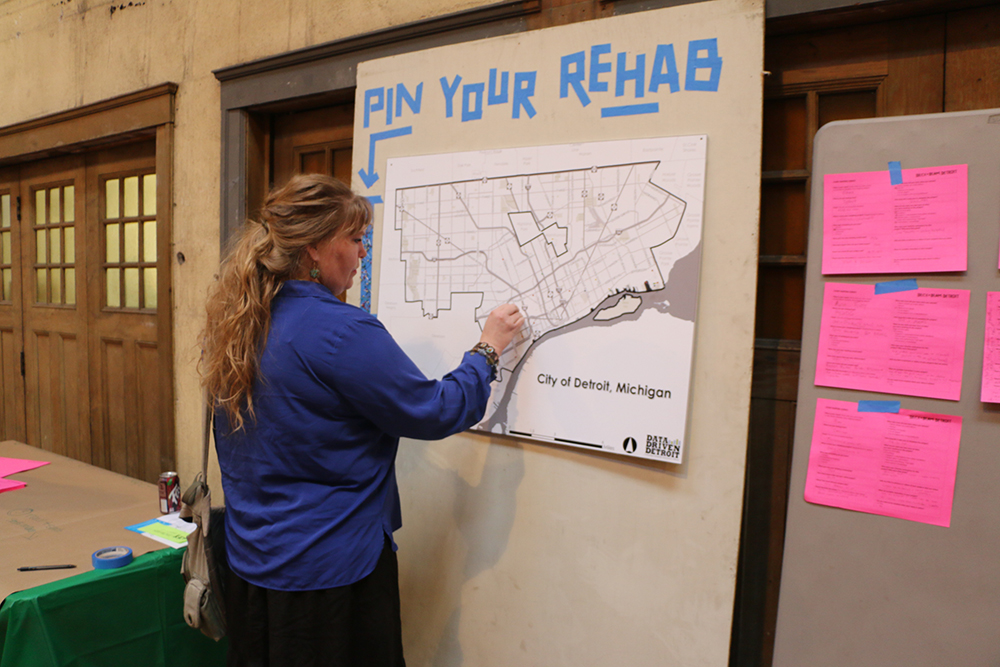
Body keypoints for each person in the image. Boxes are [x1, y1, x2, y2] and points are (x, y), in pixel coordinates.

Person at [199, 174, 524, 667]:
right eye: (354, 240)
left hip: (252, 568)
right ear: (314, 248)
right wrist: (488, 347)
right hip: (328, 578)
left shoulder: (242, 318)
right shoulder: (340, 330)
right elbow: (437, 409)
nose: (362, 254)